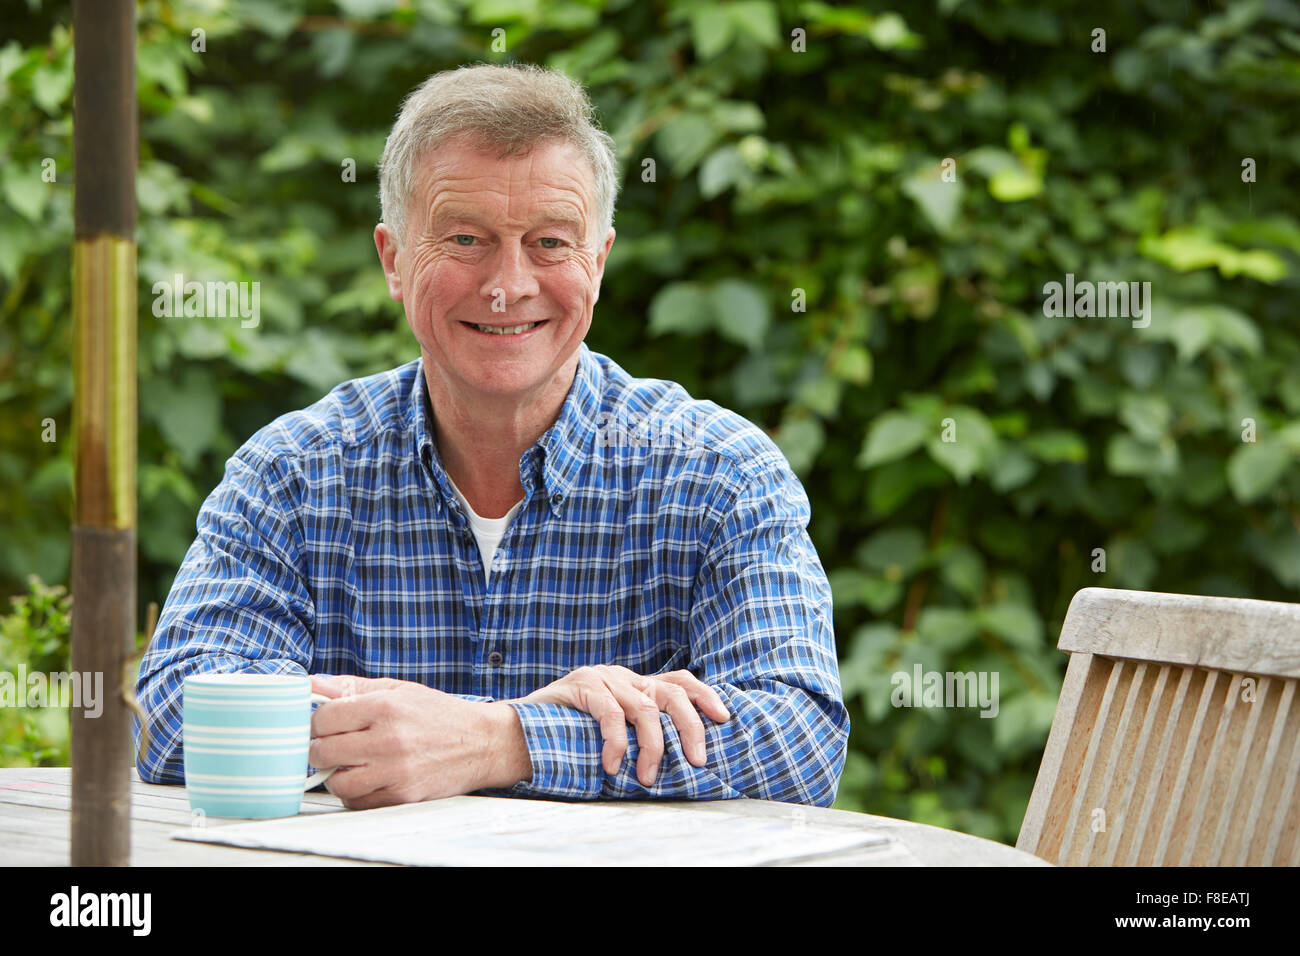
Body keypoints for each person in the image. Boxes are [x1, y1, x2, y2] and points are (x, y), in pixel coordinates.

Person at [134, 62, 848, 808]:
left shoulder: (718, 474)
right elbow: (173, 712)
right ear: (393, 260)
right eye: (467, 239)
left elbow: (799, 737)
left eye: (548, 243)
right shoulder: (293, 474)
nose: (508, 284)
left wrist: (503, 739)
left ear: (597, 263)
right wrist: (447, 733)